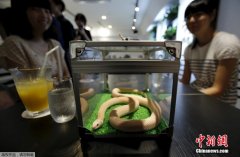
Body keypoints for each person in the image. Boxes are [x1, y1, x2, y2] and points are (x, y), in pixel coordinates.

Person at [180, 0, 240, 106]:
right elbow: (185, 81)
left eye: (198, 15)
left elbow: (218, 89)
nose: (192, 20)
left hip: (221, 108)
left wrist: (183, 97)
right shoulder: (189, 49)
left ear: (212, 15)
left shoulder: (227, 43)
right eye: (188, 17)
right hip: (196, 103)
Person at [0, 0, 69, 77]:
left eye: (47, 11)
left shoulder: (55, 44)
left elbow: (66, 76)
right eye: (36, 9)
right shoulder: (14, 43)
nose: (44, 15)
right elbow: (25, 82)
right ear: (23, 12)